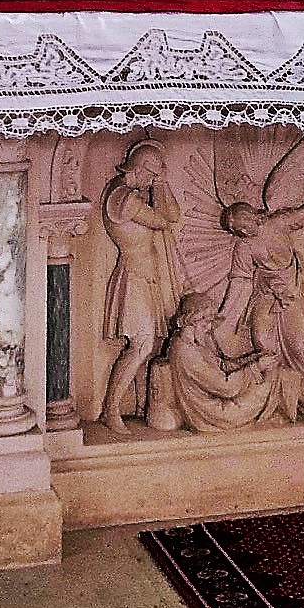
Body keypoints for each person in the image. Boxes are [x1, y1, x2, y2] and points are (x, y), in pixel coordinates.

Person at [216, 192, 304, 418]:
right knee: (262, 342)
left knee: (298, 345)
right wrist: (224, 314)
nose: (242, 232)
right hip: (264, 294)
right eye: (237, 231)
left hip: (291, 293)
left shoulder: (278, 223)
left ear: (252, 217)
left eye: (242, 226)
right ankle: (274, 394)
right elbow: (239, 280)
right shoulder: (244, 246)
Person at [99, 140, 183, 432]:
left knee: (146, 346)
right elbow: (167, 220)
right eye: (151, 174)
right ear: (140, 168)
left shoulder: (128, 194)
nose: (152, 181)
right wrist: (161, 185)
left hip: (145, 277)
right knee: (141, 344)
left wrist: (158, 181)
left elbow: (171, 216)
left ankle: (139, 406)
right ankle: (110, 409)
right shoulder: (123, 197)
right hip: (134, 278)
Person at [145, 290, 281, 433]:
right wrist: (256, 367)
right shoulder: (186, 351)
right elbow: (226, 387)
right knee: (272, 380)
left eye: (210, 321)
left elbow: (221, 365)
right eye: (206, 321)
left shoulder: (195, 342)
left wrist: (252, 359)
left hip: (215, 405)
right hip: (214, 413)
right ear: (192, 319)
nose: (209, 327)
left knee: (273, 375)